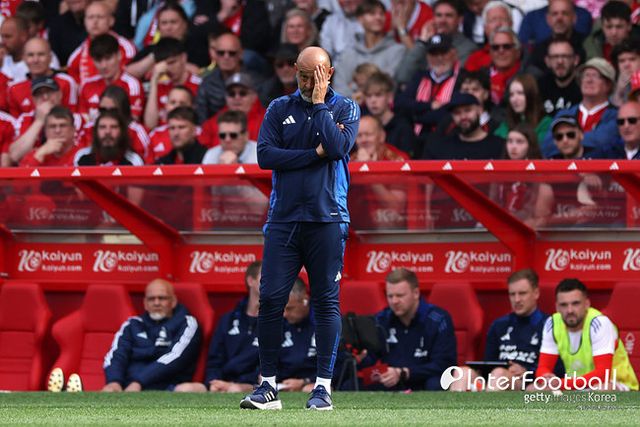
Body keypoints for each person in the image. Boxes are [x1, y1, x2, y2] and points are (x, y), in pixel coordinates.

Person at [240, 46, 360, 411]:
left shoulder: (345, 108)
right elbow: (265, 156)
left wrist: (320, 103)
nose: (308, 83)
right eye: (304, 76)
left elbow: (337, 147)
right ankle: (267, 386)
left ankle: (322, 388)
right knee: (270, 298)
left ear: (329, 73)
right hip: (284, 219)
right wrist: (312, 155)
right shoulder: (279, 108)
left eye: (316, 77)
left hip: (328, 218)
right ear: (295, 70)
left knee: (325, 301)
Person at [449, 269, 548, 391]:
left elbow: (555, 370)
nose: (517, 299)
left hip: (527, 382)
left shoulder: (548, 325)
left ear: (536, 293)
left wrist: (527, 371)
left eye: (522, 293)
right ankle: (455, 404)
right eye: (512, 294)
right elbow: (488, 362)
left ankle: (488, 404)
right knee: (462, 373)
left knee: (499, 374)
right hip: (494, 379)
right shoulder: (499, 325)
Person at [358, 268, 456, 391]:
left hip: (424, 381)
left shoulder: (438, 319)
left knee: (436, 383)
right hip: (391, 382)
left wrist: (404, 372)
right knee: (352, 383)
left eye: (400, 295)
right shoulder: (381, 320)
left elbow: (444, 365)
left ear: (416, 293)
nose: (394, 301)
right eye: (390, 296)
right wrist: (359, 358)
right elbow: (370, 360)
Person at [534, 278, 638, 391]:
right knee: (533, 389)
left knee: (602, 389)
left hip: (615, 385)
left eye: (575, 304)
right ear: (557, 307)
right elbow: (543, 368)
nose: (569, 310)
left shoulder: (599, 323)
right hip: (576, 386)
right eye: (564, 305)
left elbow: (602, 374)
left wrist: (561, 384)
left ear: (587, 304)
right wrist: (546, 378)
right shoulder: (552, 323)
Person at [174, 261, 262, 393]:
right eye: (266, 277)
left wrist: (241, 384)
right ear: (251, 281)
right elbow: (214, 359)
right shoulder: (228, 319)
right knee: (183, 389)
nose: (273, 282)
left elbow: (277, 364)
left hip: (253, 385)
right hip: (222, 382)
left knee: (234, 390)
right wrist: (214, 381)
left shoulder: (279, 320)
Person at [102, 279, 201, 392]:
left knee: (189, 389)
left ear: (173, 301)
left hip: (168, 388)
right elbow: (116, 355)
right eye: (151, 299)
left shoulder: (187, 323)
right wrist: (114, 381)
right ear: (145, 303)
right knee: (109, 390)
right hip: (129, 386)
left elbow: (176, 357)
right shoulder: (132, 324)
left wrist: (138, 382)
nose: (156, 303)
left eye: (162, 298)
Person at [541, 58, 619, 158]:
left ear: (609, 84)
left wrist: (565, 143)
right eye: (586, 75)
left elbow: (604, 142)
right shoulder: (564, 114)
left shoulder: (617, 115)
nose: (589, 80)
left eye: (595, 76)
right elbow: (547, 146)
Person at [332, 0, 407, 98]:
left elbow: (387, 83)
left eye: (381, 14)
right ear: (360, 19)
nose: (378, 17)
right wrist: (357, 97)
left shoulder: (397, 51)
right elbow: (338, 87)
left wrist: (354, 86)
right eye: (372, 14)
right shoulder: (349, 53)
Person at [395, 0, 478, 86]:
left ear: (460, 19)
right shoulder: (425, 43)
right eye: (439, 15)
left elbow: (451, 78)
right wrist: (422, 41)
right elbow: (402, 76)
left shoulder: (468, 48)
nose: (442, 20)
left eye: (448, 16)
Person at [395, 33, 460, 137]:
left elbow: (448, 113)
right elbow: (401, 102)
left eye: (443, 53)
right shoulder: (420, 77)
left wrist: (417, 116)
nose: (439, 58)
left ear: (453, 53)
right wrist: (429, 106)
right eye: (434, 54)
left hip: (447, 137)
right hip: (416, 136)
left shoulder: (460, 78)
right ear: (427, 56)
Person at [66, 0, 137, 86]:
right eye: (90, 17)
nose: (95, 22)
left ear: (111, 21)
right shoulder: (75, 57)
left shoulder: (126, 49)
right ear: (84, 22)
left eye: (100, 17)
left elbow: (130, 79)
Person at [77, 34, 145, 122]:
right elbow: (84, 121)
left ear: (119, 55)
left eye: (108, 58)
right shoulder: (87, 85)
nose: (104, 66)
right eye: (98, 60)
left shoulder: (132, 85)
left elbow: (132, 121)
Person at [7, 38, 78, 118]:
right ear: (24, 58)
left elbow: (72, 117)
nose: (36, 60)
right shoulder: (14, 89)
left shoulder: (66, 82)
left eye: (41, 54)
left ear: (50, 57)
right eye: (30, 55)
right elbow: (17, 124)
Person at [421, 92, 503, 159]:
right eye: (457, 112)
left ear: (480, 110)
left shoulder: (499, 146)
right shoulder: (439, 148)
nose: (463, 117)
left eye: (467, 110)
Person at [143, 37, 202, 130]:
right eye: (164, 65)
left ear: (183, 58)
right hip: (161, 135)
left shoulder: (200, 85)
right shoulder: (159, 87)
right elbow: (150, 125)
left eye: (172, 62)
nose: (169, 69)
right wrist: (154, 80)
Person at [199, 72, 266, 148]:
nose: (237, 97)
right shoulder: (211, 124)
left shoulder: (267, 121)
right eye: (231, 94)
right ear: (226, 98)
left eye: (242, 93)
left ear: (254, 97)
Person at [277, 277, 318, 392]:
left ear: (305, 300)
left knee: (309, 389)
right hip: (283, 384)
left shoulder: (324, 321)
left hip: (315, 383)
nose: (285, 314)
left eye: (290, 308)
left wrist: (305, 381)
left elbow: (338, 366)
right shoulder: (279, 323)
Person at [362, 71, 416, 156]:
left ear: (390, 97)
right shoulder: (361, 125)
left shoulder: (403, 127)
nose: (373, 101)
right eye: (369, 96)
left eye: (378, 95)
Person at [494, 74, 553, 142]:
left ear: (531, 95)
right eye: (511, 94)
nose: (515, 99)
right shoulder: (506, 124)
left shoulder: (545, 123)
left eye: (520, 93)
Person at [75, 110, 144, 166]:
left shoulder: (134, 161)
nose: (107, 132)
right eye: (102, 127)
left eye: (113, 127)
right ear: (95, 132)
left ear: (122, 132)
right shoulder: (82, 157)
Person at [536, 36, 582, 117]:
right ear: (547, 61)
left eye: (565, 56)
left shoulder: (584, 88)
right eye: (555, 57)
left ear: (576, 60)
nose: (560, 61)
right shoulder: (539, 86)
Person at [611, 38, 640, 107]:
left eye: (632, 59)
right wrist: (619, 91)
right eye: (622, 61)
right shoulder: (612, 85)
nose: (626, 65)